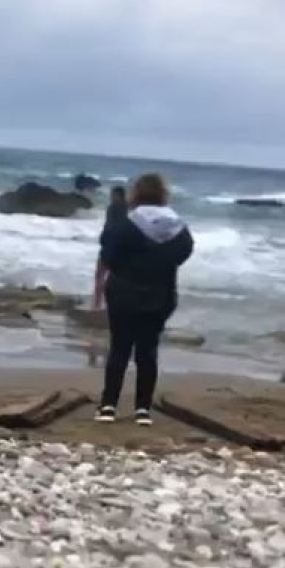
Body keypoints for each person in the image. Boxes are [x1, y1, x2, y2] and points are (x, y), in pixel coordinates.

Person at [94, 173, 193, 425]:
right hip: (161, 294)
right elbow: (183, 254)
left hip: (123, 292)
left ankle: (108, 406)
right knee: (148, 351)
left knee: (119, 348)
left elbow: (109, 254)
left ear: (136, 193)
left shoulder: (126, 223)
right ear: (163, 194)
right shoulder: (177, 226)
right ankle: (142, 410)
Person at [93, 186, 128, 310]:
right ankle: (105, 305)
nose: (111, 197)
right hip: (117, 248)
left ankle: (98, 305)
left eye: (114, 195)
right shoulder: (125, 209)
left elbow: (110, 227)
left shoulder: (115, 209)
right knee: (109, 278)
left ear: (119, 196)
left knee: (100, 276)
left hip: (111, 247)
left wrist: (104, 238)